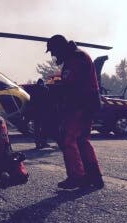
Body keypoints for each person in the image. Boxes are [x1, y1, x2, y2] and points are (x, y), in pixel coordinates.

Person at [46, 34, 104, 189]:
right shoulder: (78, 56)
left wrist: (54, 90)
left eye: (53, 51)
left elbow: (71, 85)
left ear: (60, 48)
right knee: (82, 140)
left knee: (68, 138)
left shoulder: (75, 59)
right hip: (87, 104)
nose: (53, 55)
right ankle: (94, 176)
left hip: (80, 104)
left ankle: (77, 176)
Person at [30, 78, 51, 149]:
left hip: (36, 112)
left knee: (36, 128)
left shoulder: (33, 90)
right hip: (44, 111)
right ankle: (43, 142)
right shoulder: (46, 89)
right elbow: (49, 101)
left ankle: (37, 143)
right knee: (44, 127)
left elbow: (31, 102)